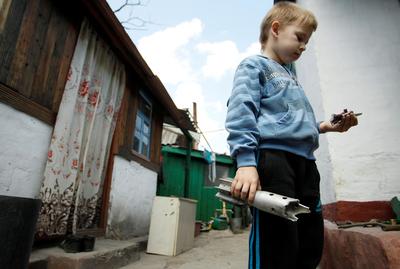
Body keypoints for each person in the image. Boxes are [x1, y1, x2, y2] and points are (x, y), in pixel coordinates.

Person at [225, 2, 358, 269]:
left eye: (307, 42)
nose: (303, 46)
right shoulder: (253, 66)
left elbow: (291, 122)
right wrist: (247, 163)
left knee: (309, 240)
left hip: (306, 165)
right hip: (273, 162)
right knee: (277, 242)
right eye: (300, 37)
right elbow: (241, 113)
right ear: (276, 29)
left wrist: (327, 126)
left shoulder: (291, 77)